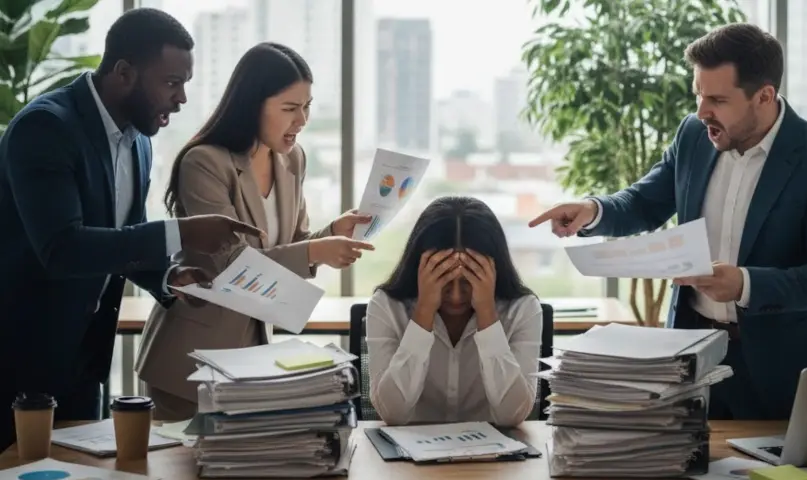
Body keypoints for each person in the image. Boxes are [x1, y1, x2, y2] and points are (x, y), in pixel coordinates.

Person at [529, 23, 807, 420]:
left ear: (764, 96)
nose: (702, 111)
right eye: (699, 95)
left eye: (717, 99)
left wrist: (745, 283)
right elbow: (644, 201)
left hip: (785, 369)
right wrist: (593, 211)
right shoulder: (694, 134)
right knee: (687, 477)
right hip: (694, 358)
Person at [0, 8, 265, 450]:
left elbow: (124, 234)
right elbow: (62, 248)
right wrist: (182, 232)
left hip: (82, 364)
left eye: (185, 83)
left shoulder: (138, 141)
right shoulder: (45, 128)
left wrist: (165, 275)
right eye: (171, 83)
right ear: (124, 72)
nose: (180, 99)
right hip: (17, 364)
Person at [135, 42, 375, 421]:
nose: (302, 120)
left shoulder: (292, 159)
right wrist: (317, 252)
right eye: (290, 108)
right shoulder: (204, 163)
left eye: (307, 106)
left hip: (251, 359)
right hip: (191, 363)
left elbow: (293, 244)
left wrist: (331, 234)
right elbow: (231, 265)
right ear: (253, 104)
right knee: (187, 477)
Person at [366, 196, 543, 427]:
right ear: (420, 269)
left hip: (494, 460)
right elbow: (392, 413)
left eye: (470, 281)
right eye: (444, 281)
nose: (457, 296)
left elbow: (512, 416)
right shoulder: (386, 306)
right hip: (409, 460)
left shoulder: (522, 310)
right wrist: (424, 312)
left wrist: (487, 314)